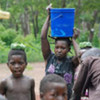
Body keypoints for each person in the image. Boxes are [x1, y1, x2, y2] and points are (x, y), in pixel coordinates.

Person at [41, 4, 79, 99]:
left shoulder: (71, 62)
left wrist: (73, 39)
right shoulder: (49, 57)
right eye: (57, 47)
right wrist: (49, 17)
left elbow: (80, 56)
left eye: (63, 48)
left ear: (69, 49)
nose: (59, 50)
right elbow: (43, 37)